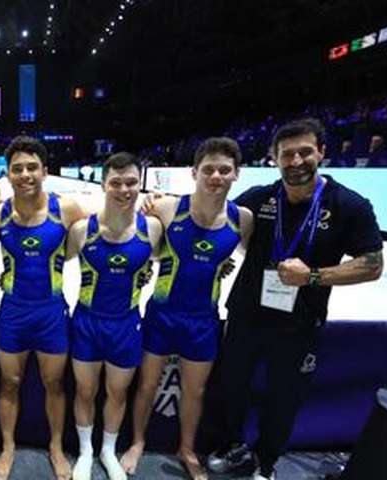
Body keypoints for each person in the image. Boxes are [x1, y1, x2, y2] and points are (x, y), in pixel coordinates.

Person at [207, 118, 384, 480]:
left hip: (299, 323)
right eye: (287, 154)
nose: (297, 161)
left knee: (284, 397)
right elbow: (219, 226)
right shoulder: (259, 198)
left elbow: (372, 265)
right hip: (246, 314)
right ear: (274, 158)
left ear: (322, 152)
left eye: (305, 152)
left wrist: (313, 276)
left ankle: (266, 462)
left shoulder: (348, 205)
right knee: (232, 386)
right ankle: (230, 445)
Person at [119, 138, 254, 480]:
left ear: (236, 174)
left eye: (224, 170)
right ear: (194, 173)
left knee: (195, 391)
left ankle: (187, 449)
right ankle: (137, 441)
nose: (216, 176)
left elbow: (253, 261)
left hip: (203, 321)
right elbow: (136, 241)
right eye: (208, 170)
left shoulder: (242, 219)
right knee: (147, 384)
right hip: (162, 315)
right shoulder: (167, 208)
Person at [0, 136, 84, 480]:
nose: (25, 174)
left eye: (32, 167)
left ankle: (56, 447)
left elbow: (104, 232)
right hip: (13, 312)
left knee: (54, 384)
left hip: (51, 312)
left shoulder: (66, 209)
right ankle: (8, 446)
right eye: (17, 169)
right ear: (8, 174)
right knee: (9, 383)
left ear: (44, 171)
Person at [65, 152, 163, 480]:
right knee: (85, 391)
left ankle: (108, 450)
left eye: (131, 183)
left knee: (118, 392)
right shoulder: (82, 230)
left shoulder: (152, 228)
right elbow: (51, 260)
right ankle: (86, 451)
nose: (124, 190)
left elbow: (175, 256)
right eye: (116, 183)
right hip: (87, 322)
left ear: (140, 185)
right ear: (103, 185)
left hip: (126, 324)